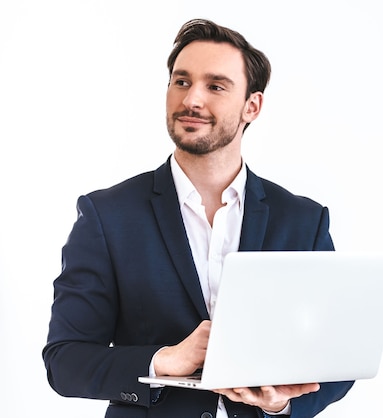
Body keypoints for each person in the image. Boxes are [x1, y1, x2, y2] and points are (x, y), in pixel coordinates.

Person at [43, 18, 354, 418]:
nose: (192, 100)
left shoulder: (303, 221)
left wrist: (283, 403)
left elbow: (338, 358)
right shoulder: (107, 216)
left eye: (216, 86)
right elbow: (64, 360)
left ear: (252, 106)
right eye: (182, 81)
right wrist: (160, 361)